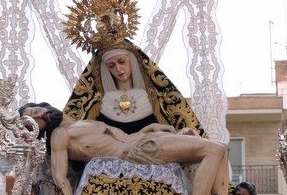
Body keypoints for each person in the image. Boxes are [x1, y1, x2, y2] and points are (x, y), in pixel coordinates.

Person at [18, 102, 231, 195]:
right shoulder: (59, 135)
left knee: (222, 148)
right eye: (32, 122)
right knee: (213, 149)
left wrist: (150, 128)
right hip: (137, 152)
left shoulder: (78, 123)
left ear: (43, 106)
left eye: (36, 112)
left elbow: (121, 137)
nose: (39, 117)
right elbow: (59, 175)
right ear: (37, 131)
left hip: (143, 140)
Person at [64, 39, 207, 137]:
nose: (118, 69)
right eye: (111, 66)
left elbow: (176, 128)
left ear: (132, 60)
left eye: (121, 61)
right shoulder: (99, 103)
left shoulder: (155, 99)